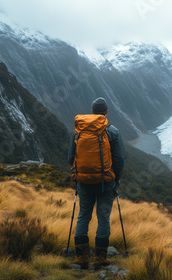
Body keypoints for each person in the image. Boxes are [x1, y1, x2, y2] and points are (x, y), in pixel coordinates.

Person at [68, 97, 125, 270]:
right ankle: (100, 260)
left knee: (83, 217)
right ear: (106, 112)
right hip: (106, 183)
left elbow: (71, 158)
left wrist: (79, 176)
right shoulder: (113, 131)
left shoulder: (79, 132)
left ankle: (81, 258)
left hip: (84, 182)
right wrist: (117, 179)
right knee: (103, 219)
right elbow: (120, 159)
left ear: (92, 111)